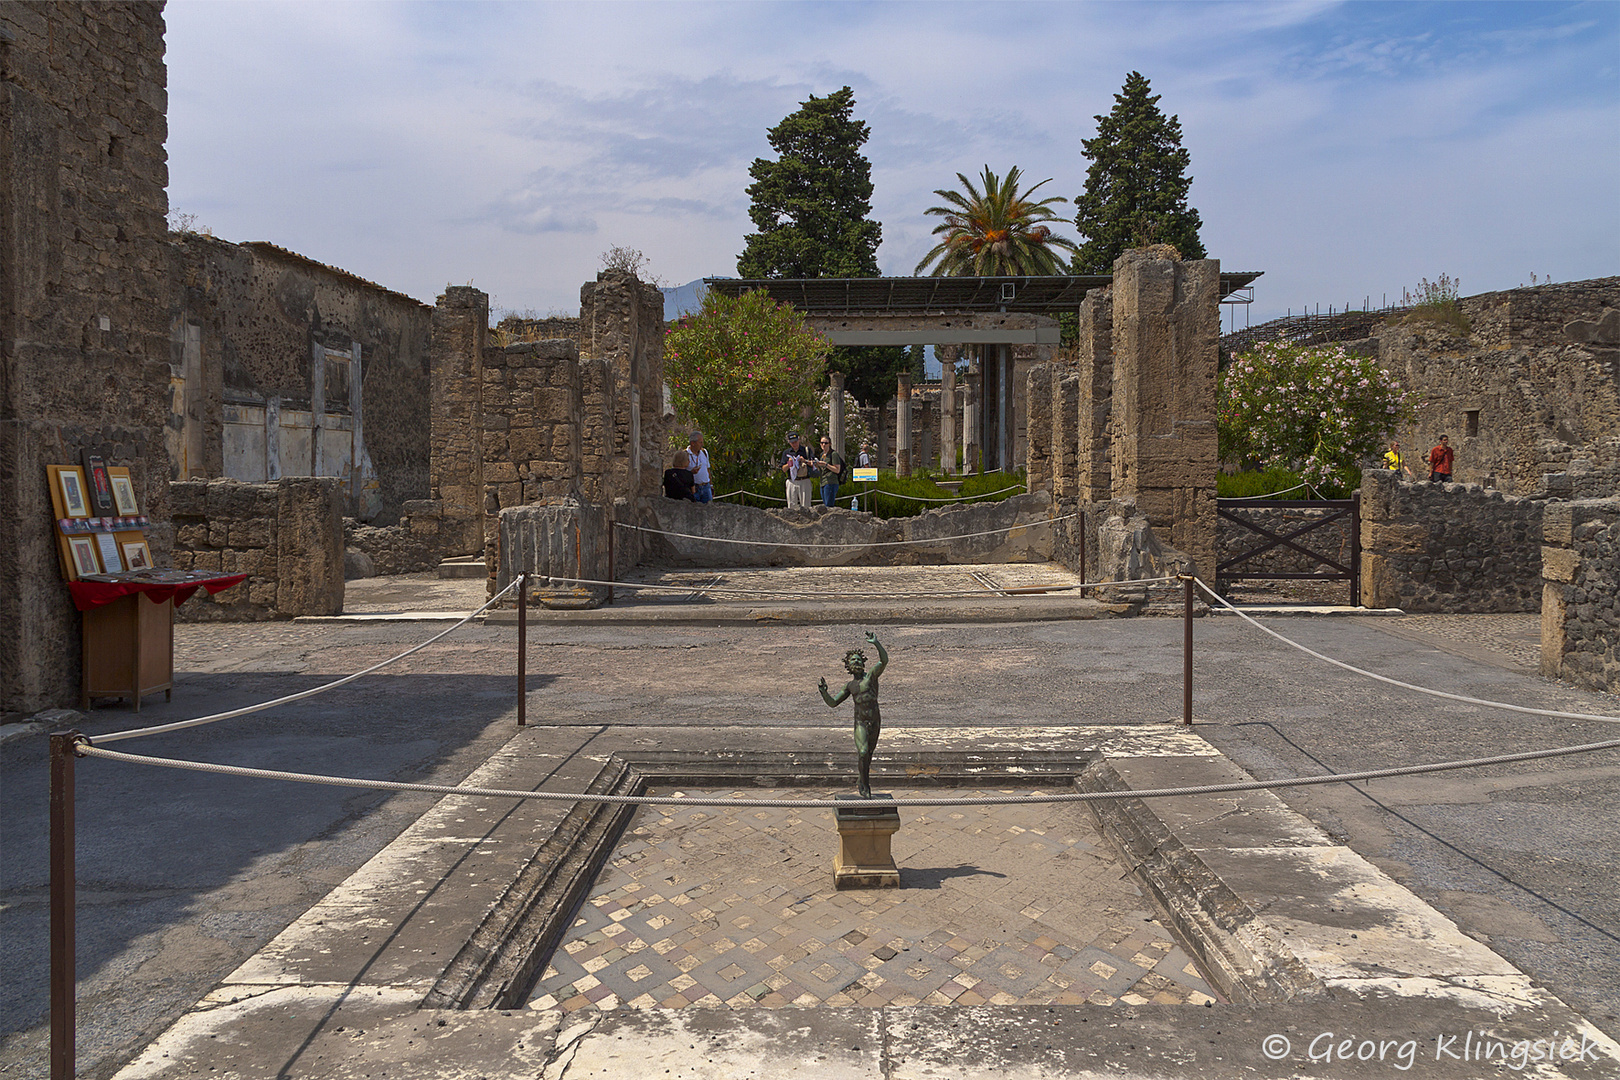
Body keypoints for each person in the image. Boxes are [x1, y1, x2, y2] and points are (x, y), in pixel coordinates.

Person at [818, 631, 888, 799]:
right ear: (848, 666)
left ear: (863, 663)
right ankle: (865, 785)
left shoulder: (871, 677)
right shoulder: (849, 686)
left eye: (858, 659)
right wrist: (824, 693)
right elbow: (833, 703)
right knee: (863, 752)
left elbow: (884, 661)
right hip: (861, 723)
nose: (856, 662)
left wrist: (876, 643)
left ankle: (861, 780)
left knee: (868, 755)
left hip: (875, 720)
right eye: (853, 660)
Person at [780, 431, 816, 510]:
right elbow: (783, 469)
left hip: (804, 480)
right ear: (789, 443)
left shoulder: (806, 450)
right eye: (792, 442)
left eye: (796, 442)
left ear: (799, 440)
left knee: (806, 506)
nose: (794, 444)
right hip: (792, 481)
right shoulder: (786, 453)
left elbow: (814, 463)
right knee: (792, 506)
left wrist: (804, 461)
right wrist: (790, 463)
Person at [814, 435, 845, 508]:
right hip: (823, 481)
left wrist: (826, 465)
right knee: (825, 506)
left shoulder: (833, 454)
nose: (824, 445)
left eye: (826, 443)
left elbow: (837, 470)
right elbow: (822, 470)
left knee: (829, 506)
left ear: (830, 444)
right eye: (822, 443)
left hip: (831, 482)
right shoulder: (822, 455)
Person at [686, 431, 713, 503]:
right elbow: (682, 472)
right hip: (694, 488)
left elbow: (707, 469)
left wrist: (711, 485)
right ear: (693, 443)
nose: (702, 444)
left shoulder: (704, 452)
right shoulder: (685, 454)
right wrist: (691, 472)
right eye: (700, 442)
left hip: (706, 487)